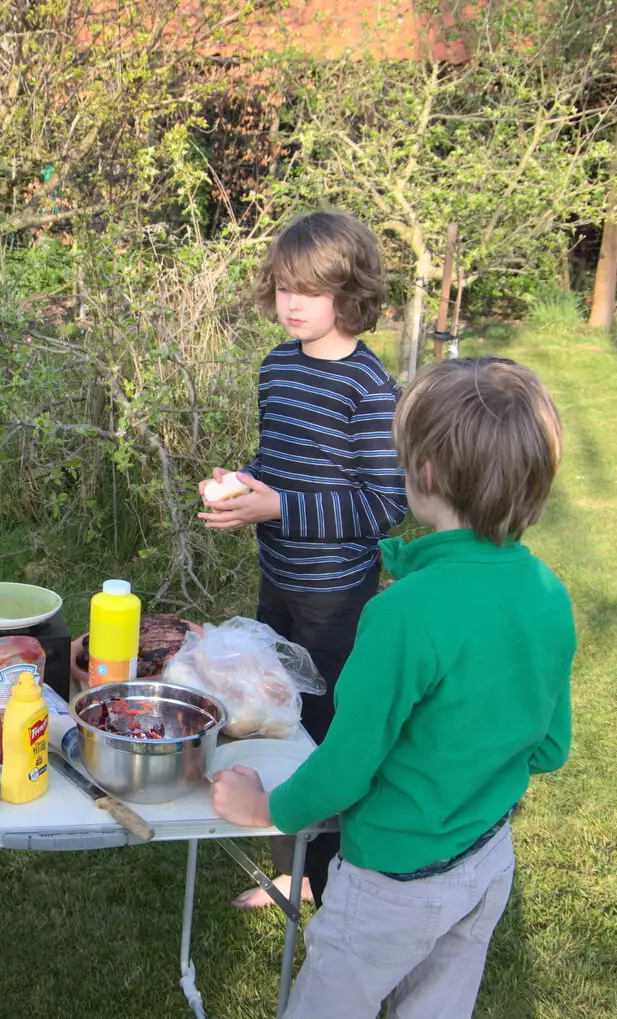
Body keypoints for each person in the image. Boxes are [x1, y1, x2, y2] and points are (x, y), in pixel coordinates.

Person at [211, 356, 576, 1019]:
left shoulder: (401, 614)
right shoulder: (546, 590)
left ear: (426, 476)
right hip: (486, 861)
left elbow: (345, 769)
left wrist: (265, 810)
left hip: (390, 881)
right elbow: (550, 747)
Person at [198, 211, 407, 907]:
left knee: (322, 734)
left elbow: (383, 505)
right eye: (284, 286)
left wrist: (280, 508)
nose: (291, 303)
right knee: (275, 713)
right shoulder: (279, 366)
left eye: (310, 290)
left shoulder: (369, 388)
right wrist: (244, 491)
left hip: (335, 600)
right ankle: (290, 856)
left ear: (350, 294)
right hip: (279, 581)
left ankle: (320, 874)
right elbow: (279, 464)